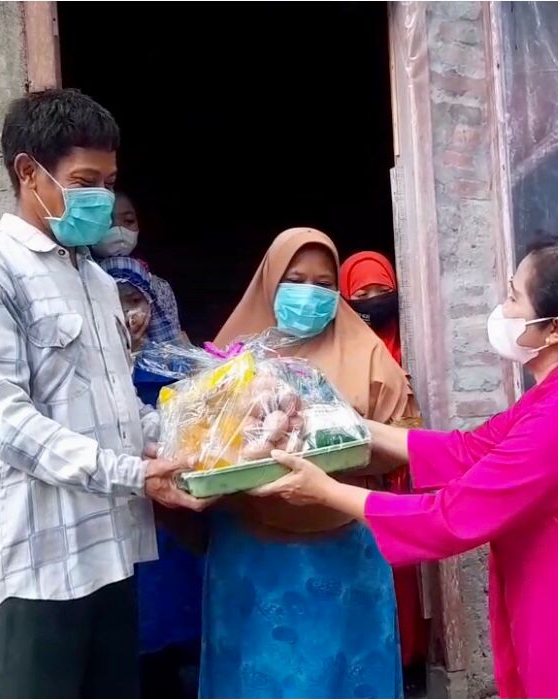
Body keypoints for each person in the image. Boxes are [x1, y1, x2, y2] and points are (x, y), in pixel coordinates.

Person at [255, 235, 558, 698]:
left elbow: (446, 518)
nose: (502, 309)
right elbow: (465, 451)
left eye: (514, 296)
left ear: (554, 329)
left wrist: (323, 489)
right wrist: (334, 420)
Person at [0, 89, 209, 699]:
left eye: (108, 183)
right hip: (32, 565)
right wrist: (131, 474)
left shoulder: (96, 281)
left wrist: (202, 438)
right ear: (28, 172)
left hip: (109, 554)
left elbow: (121, 406)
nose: (101, 200)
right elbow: (3, 420)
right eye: (85, 182)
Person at [200, 228, 418, 699]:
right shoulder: (231, 356)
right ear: (269, 283)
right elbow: (203, 446)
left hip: (347, 546)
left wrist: (335, 442)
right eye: (295, 280)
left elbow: (404, 442)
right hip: (254, 551)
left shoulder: (368, 354)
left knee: (349, 672)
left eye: (324, 284)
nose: (310, 294)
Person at [100, 259, 205, 699]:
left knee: (180, 621)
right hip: (120, 511)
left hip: (174, 521)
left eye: (136, 300)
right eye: (116, 301)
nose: (130, 314)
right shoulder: (95, 372)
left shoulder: (178, 367)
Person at [339, 251, 427, 686]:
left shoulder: (412, 343)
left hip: (404, 481)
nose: (373, 300)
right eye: (362, 294)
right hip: (352, 483)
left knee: (404, 573)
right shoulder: (342, 350)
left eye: (382, 291)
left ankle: (410, 658)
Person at [93, 189, 189, 345]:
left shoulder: (158, 287)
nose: (118, 229)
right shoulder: (80, 282)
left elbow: (171, 343)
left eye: (129, 220)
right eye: (107, 222)